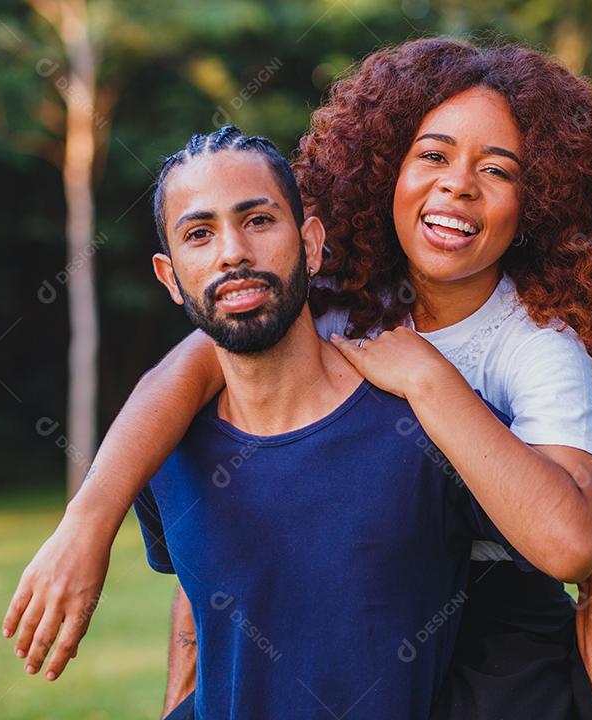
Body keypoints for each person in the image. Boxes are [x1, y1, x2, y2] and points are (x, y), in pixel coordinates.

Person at [4, 38, 592, 720]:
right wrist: (88, 523)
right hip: (359, 606)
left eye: (497, 170)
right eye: (433, 155)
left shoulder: (536, 347)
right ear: (388, 168)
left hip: (488, 624)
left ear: (539, 201)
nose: (459, 184)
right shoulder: (330, 297)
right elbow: (192, 372)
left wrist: (429, 378)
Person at [130, 124, 536, 719]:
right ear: (170, 277)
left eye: (259, 220)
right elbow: (203, 594)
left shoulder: (427, 425)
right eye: (199, 233)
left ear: (311, 244)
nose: (232, 252)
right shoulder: (164, 451)